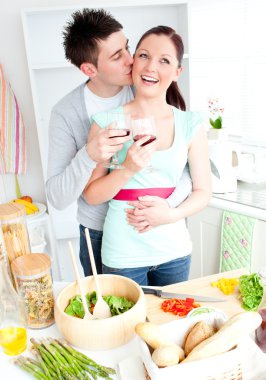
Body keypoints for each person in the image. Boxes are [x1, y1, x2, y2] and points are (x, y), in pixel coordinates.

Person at [46, 9, 193, 278]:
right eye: (117, 56)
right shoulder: (66, 113)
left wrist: (167, 208)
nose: (132, 60)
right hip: (100, 234)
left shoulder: (149, 87)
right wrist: (89, 154)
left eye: (127, 47)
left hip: (156, 229)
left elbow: (186, 166)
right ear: (89, 69)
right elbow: (57, 196)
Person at [83, 26, 211, 286]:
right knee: (126, 327)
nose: (151, 67)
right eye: (144, 56)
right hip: (122, 255)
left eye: (164, 60)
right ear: (133, 63)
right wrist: (127, 168)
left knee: (171, 325)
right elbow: (92, 194)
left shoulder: (190, 124)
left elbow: (203, 192)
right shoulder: (106, 122)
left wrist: (171, 215)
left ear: (177, 73)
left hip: (174, 251)